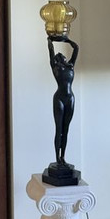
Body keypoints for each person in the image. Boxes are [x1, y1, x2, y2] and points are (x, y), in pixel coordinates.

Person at [48, 34, 79, 168]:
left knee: (66, 130)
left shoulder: (70, 65)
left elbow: (76, 48)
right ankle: (57, 157)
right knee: (59, 129)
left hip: (70, 98)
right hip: (59, 98)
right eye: (58, 55)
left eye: (62, 55)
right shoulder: (55, 66)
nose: (61, 55)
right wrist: (51, 39)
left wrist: (66, 40)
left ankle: (63, 157)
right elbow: (50, 49)